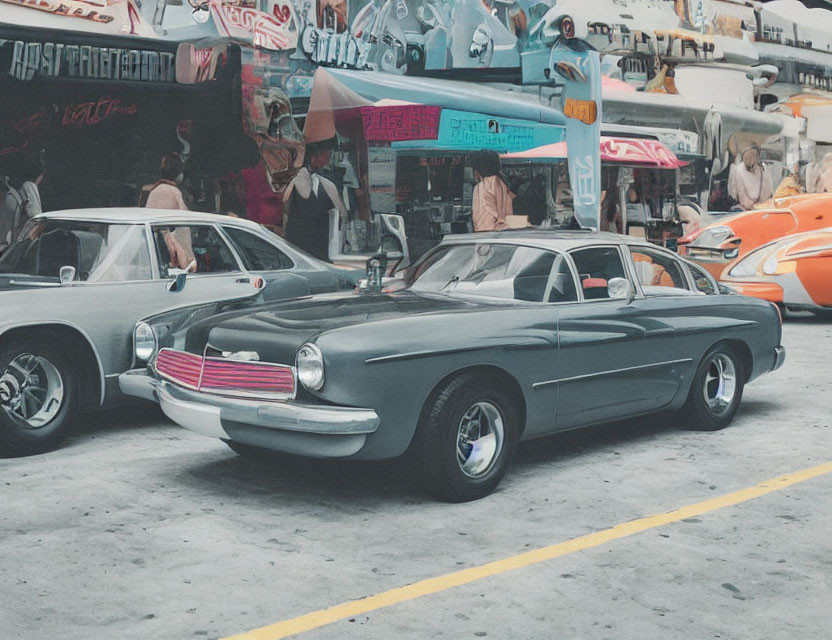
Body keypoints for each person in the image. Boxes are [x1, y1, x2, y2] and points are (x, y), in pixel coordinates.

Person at [283, 143, 347, 262]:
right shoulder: (299, 180)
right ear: (315, 158)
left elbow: (341, 214)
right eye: (325, 156)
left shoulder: (327, 182)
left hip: (319, 246)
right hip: (301, 245)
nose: (327, 160)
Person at [471, 150, 513, 232]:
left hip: (488, 234)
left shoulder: (483, 186)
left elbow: (485, 219)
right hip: (503, 233)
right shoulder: (503, 184)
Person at [727, 145, 772, 210]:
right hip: (744, 212)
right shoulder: (738, 170)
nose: (752, 159)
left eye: (754, 155)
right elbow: (743, 199)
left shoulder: (764, 170)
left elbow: (767, 194)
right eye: (749, 156)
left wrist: (761, 206)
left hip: (762, 210)